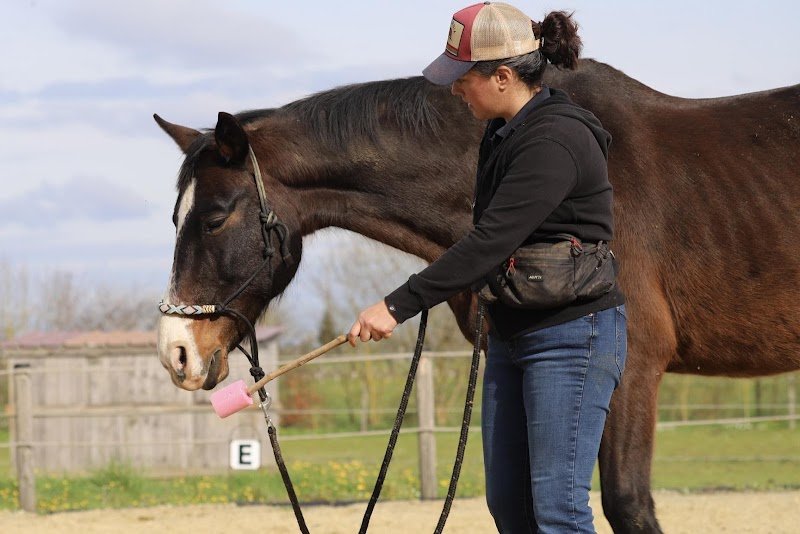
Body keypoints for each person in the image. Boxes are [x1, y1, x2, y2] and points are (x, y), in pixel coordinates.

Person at [348, 2, 627, 532]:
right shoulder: (503, 133)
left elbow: (490, 242)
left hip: (570, 337)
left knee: (559, 511)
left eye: (463, 77)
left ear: (502, 76)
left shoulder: (555, 140)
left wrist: (397, 305)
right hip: (513, 333)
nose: (455, 89)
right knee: (510, 507)